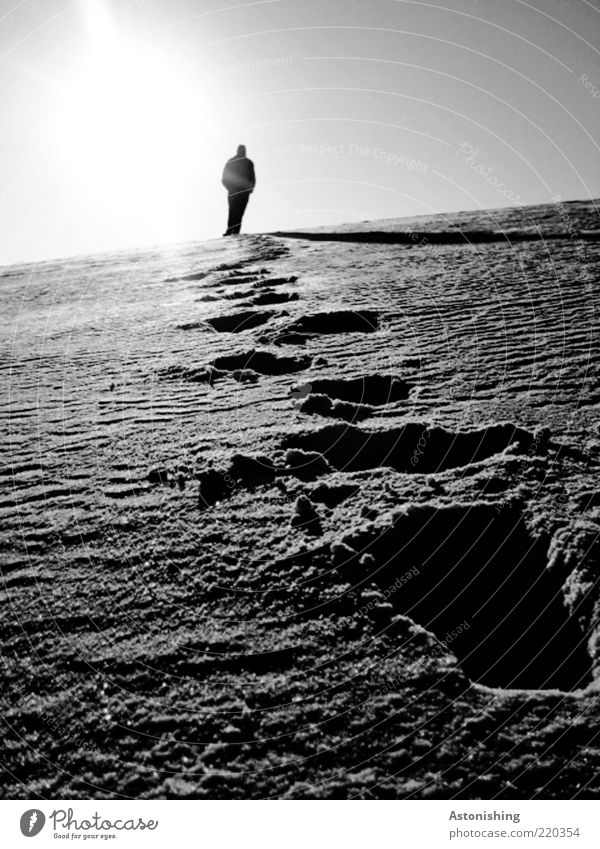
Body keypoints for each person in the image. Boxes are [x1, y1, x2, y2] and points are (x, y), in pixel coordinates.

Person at [221, 144, 256, 236]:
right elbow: (225, 178)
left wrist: (249, 189)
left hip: (240, 192)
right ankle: (232, 231)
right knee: (236, 211)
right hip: (237, 191)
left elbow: (252, 178)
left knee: (236, 211)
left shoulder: (247, 163)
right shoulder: (244, 162)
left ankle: (233, 230)